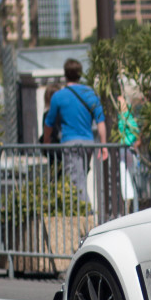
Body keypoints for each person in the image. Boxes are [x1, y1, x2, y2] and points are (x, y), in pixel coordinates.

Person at [43, 59, 107, 201]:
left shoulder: (58, 97)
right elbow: (101, 121)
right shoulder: (90, 94)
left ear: (65, 75)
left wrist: (46, 142)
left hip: (70, 144)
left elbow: (49, 123)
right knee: (81, 177)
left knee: (75, 181)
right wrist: (104, 146)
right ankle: (84, 213)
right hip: (89, 143)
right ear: (80, 74)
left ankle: (84, 213)